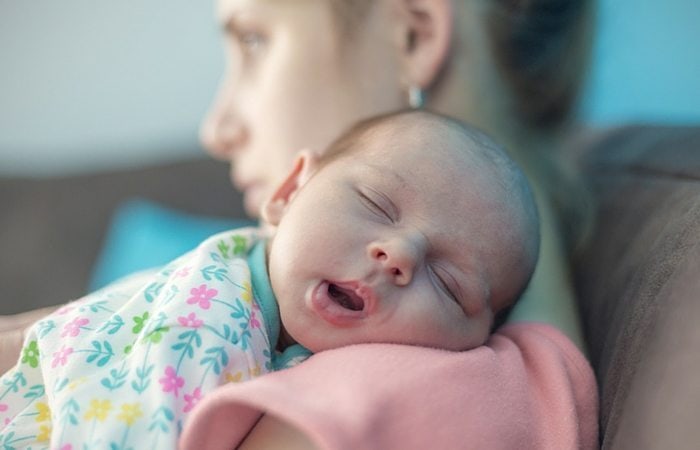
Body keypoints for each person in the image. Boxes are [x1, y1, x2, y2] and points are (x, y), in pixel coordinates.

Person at [0, 0, 597, 448]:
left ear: (414, 34)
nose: (216, 127)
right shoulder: (267, 291)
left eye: (254, 40)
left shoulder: (441, 385)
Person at [0, 110, 541, 449]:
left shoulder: (350, 392)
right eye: (376, 203)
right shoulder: (210, 277)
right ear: (287, 194)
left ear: (475, 341)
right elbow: (53, 335)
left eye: (450, 284)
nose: (398, 255)